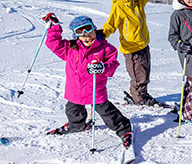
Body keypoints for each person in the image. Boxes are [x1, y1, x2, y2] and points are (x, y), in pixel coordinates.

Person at [42, 13, 132, 147]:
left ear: (94, 29)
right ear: (76, 36)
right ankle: (77, 125)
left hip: (95, 89)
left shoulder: (105, 48)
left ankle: (123, 129)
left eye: (90, 31)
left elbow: (112, 64)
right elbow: (53, 43)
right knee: (72, 110)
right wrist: (54, 27)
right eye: (82, 34)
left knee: (107, 112)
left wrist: (102, 67)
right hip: (75, 89)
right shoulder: (70, 48)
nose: (87, 36)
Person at [101, 0, 170, 107]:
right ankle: (139, 98)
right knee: (139, 75)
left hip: (143, 44)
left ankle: (138, 93)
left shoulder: (138, 0)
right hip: (131, 48)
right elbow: (111, 24)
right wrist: (101, 34)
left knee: (145, 72)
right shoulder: (119, 6)